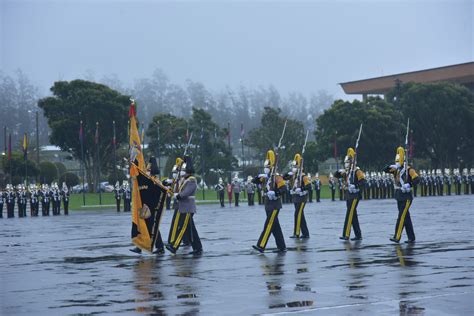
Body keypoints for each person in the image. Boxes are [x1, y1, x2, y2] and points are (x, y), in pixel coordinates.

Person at [166, 156, 202, 255]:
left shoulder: (191, 180)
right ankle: (198, 248)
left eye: (182, 170)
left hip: (187, 207)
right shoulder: (184, 179)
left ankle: (174, 247)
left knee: (182, 228)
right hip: (183, 207)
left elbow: (186, 193)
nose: (181, 171)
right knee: (191, 230)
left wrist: (178, 196)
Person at [252, 150, 287, 253]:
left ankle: (261, 245)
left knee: (268, 225)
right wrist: (258, 177)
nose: (265, 169)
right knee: (275, 227)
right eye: (265, 167)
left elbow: (284, 189)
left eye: (267, 167)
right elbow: (255, 181)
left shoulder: (277, 176)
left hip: (275, 205)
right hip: (268, 205)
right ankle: (282, 247)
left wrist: (275, 193)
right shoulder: (267, 177)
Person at [383, 147, 419, 244]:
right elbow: (385, 170)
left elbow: (417, 179)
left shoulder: (409, 170)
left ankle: (397, 236)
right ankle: (411, 237)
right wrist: (390, 165)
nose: (397, 162)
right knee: (406, 217)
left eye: (398, 160)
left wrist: (409, 184)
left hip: (406, 197)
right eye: (396, 161)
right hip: (399, 196)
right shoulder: (396, 170)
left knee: (401, 217)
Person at [334, 148, 365, 241]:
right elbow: (336, 175)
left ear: (352, 162)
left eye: (347, 162)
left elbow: (363, 182)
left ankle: (346, 234)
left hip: (355, 196)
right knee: (353, 216)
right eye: (345, 162)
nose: (346, 164)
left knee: (349, 214)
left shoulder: (357, 171)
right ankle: (358, 235)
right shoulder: (347, 172)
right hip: (348, 195)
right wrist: (340, 172)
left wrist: (355, 186)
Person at [286, 153, 311, 239]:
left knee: (297, 214)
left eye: (295, 167)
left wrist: (302, 189)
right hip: (296, 198)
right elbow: (286, 178)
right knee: (301, 215)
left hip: (302, 198)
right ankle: (305, 233)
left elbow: (309, 187)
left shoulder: (303, 176)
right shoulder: (294, 176)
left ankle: (296, 233)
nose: (293, 169)